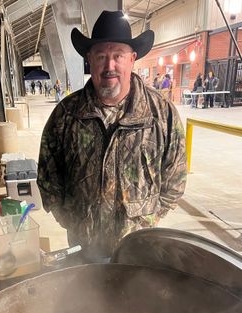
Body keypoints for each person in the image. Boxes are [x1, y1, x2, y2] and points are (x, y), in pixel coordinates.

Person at [38, 10, 186, 259]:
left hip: (139, 251)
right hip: (83, 249)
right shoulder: (65, 115)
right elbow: (48, 178)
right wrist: (72, 221)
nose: (110, 66)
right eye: (101, 56)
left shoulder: (161, 115)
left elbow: (175, 181)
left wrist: (147, 219)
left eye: (118, 55)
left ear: (132, 58)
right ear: (90, 59)